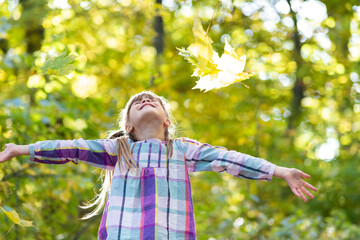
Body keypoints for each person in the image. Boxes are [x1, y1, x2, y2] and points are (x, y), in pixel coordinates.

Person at [0, 91, 317, 240]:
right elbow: (71, 148)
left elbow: (231, 159)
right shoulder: (118, 150)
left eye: (152, 100)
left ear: (166, 120)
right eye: (136, 102)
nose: (144, 101)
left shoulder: (182, 151)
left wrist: (279, 171)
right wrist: (20, 149)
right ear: (129, 125)